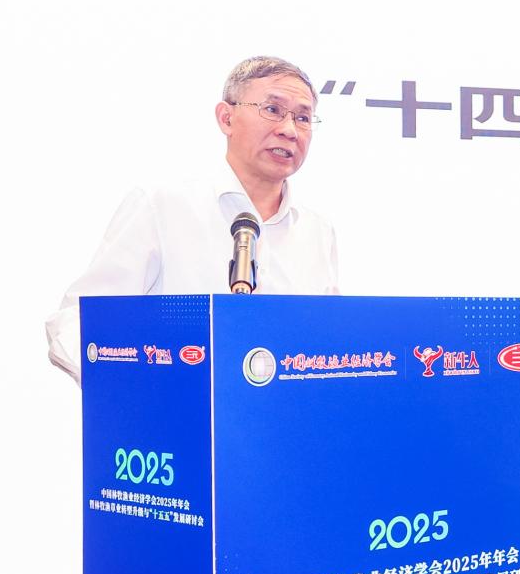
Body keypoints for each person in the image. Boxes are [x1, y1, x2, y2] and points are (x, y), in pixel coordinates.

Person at [45, 56, 340, 381]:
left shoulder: (317, 231)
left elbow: (324, 344)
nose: (289, 130)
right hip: (171, 408)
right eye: (272, 110)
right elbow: (76, 321)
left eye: (303, 118)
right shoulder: (162, 206)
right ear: (226, 118)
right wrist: (130, 386)